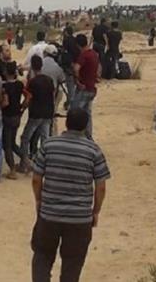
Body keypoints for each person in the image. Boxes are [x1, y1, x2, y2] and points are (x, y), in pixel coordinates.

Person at [31, 108, 110, 282]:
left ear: (66, 123)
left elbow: (36, 178)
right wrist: (95, 211)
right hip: (79, 219)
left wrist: (39, 200)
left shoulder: (49, 145)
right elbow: (101, 187)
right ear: (85, 126)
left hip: (49, 214)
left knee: (42, 257)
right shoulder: (94, 150)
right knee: (73, 264)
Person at [19, 56, 55, 173]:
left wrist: (22, 108)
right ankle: (46, 163)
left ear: (33, 67)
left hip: (36, 113)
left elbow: (28, 98)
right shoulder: (49, 80)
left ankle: (24, 163)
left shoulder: (32, 82)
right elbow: (53, 94)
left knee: (25, 138)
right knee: (45, 138)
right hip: (48, 113)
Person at [72, 34, 99, 138]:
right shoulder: (94, 54)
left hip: (84, 88)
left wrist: (78, 81)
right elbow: (99, 67)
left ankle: (76, 137)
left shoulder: (83, 55)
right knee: (87, 113)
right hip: (92, 88)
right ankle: (88, 135)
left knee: (76, 113)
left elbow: (76, 68)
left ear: (78, 45)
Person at [2, 62, 24, 180]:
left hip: (7, 116)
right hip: (17, 115)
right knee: (13, 142)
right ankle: (26, 160)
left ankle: (12, 170)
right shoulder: (19, 84)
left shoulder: (5, 86)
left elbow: (5, 102)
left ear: (6, 72)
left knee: (7, 145)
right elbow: (28, 96)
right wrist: (22, 107)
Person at [62, 27, 80, 110]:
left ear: (66, 32)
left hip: (69, 65)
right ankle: (72, 102)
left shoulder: (66, 41)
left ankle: (71, 104)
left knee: (70, 86)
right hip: (78, 64)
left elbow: (65, 54)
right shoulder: (76, 40)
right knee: (76, 84)